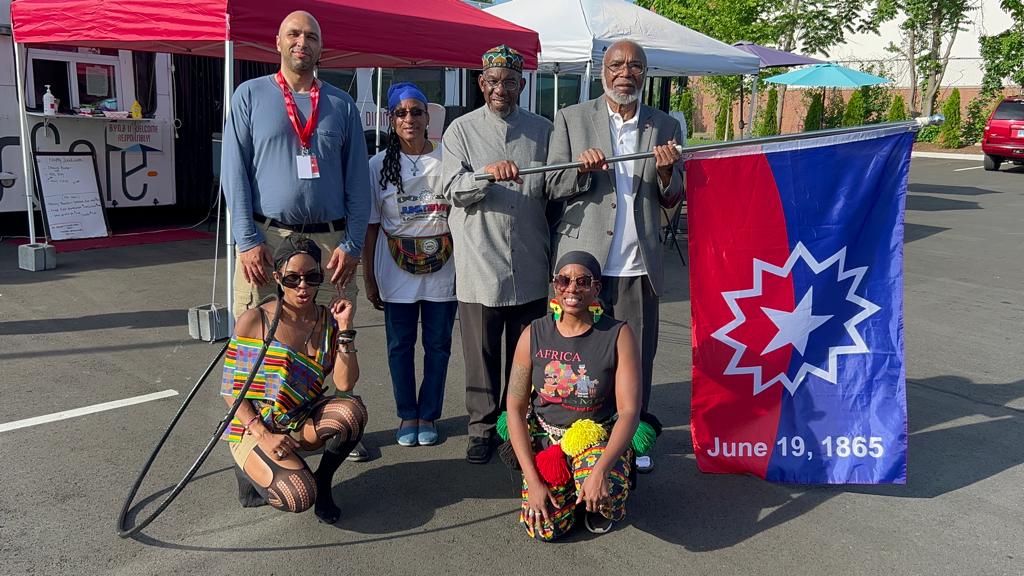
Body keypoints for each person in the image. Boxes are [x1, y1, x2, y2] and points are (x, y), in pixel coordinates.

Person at [221, 10, 370, 461]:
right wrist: (246, 239)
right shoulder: (249, 96)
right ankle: (251, 443)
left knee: (326, 336)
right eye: (293, 34)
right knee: (257, 340)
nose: (302, 42)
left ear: (321, 47)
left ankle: (327, 428)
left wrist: (353, 243)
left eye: (311, 36)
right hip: (266, 238)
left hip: (329, 243)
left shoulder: (341, 105)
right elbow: (234, 173)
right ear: (278, 42)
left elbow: (358, 184)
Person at [545, 40, 684, 473]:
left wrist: (664, 173)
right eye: (617, 64)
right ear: (602, 70)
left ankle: (632, 437)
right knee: (576, 357)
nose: (626, 72)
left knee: (637, 358)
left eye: (635, 66)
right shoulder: (571, 118)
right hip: (582, 266)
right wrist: (578, 171)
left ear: (646, 72)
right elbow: (551, 185)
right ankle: (573, 436)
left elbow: (673, 199)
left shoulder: (665, 125)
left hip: (638, 264)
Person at [441, 45, 555, 464]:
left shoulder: (543, 131)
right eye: (492, 81)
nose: (500, 89)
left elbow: (556, 192)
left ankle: (518, 424)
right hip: (480, 259)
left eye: (509, 81)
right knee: (481, 353)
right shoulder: (460, 131)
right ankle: (482, 427)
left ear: (522, 85)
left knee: (526, 354)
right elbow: (451, 190)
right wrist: (487, 174)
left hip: (528, 258)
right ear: (481, 84)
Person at [220, 236, 368, 525]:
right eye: (292, 278)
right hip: (256, 426)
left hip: (299, 419)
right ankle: (247, 469)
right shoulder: (255, 321)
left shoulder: (328, 320)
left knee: (352, 411)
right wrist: (264, 435)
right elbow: (232, 391)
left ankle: (324, 483)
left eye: (311, 278)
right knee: (299, 495)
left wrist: (346, 329)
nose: (303, 287)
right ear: (278, 278)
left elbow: (345, 385)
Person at [505, 251, 641, 540]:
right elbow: (515, 407)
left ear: (596, 288)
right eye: (563, 280)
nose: (572, 289)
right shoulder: (533, 333)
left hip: (595, 438)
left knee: (609, 492)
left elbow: (629, 411)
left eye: (582, 281)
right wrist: (532, 479)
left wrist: (602, 470)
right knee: (544, 528)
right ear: (555, 285)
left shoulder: (618, 334)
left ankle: (596, 494)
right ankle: (572, 495)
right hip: (547, 441)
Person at [363, 82, 457, 447]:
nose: (409, 119)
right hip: (395, 267)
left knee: (438, 345)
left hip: (443, 267)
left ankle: (428, 413)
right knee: (399, 345)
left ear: (427, 116)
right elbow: (372, 226)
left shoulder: (449, 157)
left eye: (416, 111)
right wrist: (368, 276)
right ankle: (407, 414)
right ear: (391, 119)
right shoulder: (376, 165)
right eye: (401, 113)